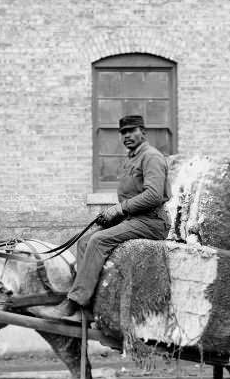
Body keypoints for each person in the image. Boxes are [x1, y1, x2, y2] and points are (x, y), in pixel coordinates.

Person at [35, 114, 169, 322]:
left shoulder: (151, 157)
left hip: (151, 222)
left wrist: (119, 209)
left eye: (132, 131)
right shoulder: (130, 160)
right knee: (85, 241)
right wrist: (112, 215)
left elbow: (154, 195)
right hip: (133, 219)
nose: (127, 136)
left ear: (143, 132)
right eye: (123, 132)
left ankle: (75, 302)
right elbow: (131, 198)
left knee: (99, 241)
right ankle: (87, 308)